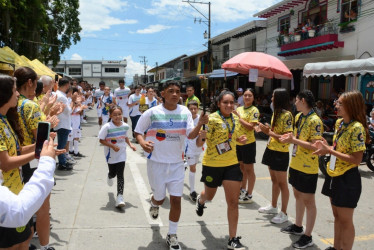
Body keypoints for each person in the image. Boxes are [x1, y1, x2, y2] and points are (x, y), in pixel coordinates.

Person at [135, 81, 208, 250]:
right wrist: (142, 142)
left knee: (176, 200)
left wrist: (199, 124)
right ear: (163, 94)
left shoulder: (185, 112)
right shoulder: (152, 112)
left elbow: (190, 135)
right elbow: (138, 131)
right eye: (171, 91)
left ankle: (172, 234)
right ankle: (154, 203)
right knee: (160, 199)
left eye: (178, 92)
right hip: (156, 162)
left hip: (176, 163)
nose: (175, 94)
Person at [313, 91, 369, 250]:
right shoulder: (340, 124)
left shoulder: (357, 128)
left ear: (351, 106)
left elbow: (356, 159)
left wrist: (330, 151)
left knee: (345, 220)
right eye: (337, 102)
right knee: (337, 216)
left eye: (340, 103)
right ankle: (336, 247)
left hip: (347, 178)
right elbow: (339, 149)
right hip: (333, 174)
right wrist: (327, 148)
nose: (335, 105)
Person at [195, 91, 248, 250]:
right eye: (225, 102)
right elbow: (199, 144)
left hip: (231, 164)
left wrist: (240, 139)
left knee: (233, 202)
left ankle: (232, 239)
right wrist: (201, 136)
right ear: (218, 103)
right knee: (209, 196)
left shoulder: (236, 119)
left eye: (232, 102)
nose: (229, 105)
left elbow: (234, 136)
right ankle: (201, 200)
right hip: (212, 164)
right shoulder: (210, 119)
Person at [15, 67, 57, 250]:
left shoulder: (14, 103)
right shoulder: (30, 105)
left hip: (19, 156)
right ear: (30, 83)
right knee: (42, 206)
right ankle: (44, 246)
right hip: (35, 157)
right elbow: (40, 136)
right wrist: (49, 124)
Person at [279, 90, 323, 249]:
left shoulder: (315, 121)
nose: (294, 102)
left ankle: (308, 236)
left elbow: (316, 146)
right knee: (297, 194)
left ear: (303, 100)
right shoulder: (299, 117)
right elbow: (295, 137)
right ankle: (298, 226)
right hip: (296, 163)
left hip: (308, 166)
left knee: (309, 200)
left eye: (296, 100)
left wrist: (293, 140)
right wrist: (289, 138)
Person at [0, 75, 37, 249]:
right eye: (14, 90)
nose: (17, 95)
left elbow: (15, 151)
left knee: (27, 234)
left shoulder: (5, 119)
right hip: (6, 197)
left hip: (17, 192)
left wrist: (39, 146)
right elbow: (5, 163)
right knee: (13, 244)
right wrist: (37, 153)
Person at [0, 135, 61, 228]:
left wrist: (37, 149)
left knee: (27, 236)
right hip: (11, 195)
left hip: (17, 188)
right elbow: (17, 213)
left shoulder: (5, 122)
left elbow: (17, 150)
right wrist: (46, 160)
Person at [257, 88, 293, 224]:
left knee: (282, 183)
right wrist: (264, 128)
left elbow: (286, 137)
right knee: (274, 180)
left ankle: (284, 212)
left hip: (281, 152)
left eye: (273, 96)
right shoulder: (275, 113)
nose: (271, 98)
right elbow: (273, 131)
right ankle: (273, 206)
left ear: (279, 98)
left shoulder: (287, 115)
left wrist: (269, 132)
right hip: (271, 148)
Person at [98, 106, 136, 208]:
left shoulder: (125, 126)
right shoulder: (107, 127)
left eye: (119, 114)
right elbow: (101, 140)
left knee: (120, 174)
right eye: (114, 115)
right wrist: (112, 146)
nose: (117, 116)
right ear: (110, 116)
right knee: (113, 173)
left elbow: (125, 136)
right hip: (110, 153)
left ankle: (120, 197)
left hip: (121, 153)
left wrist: (130, 145)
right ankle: (109, 175)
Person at [233, 88, 259, 204]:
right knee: (241, 168)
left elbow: (250, 126)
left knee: (249, 169)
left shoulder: (254, 110)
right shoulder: (238, 108)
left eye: (249, 95)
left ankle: (249, 193)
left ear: (253, 98)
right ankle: (242, 189)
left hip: (248, 143)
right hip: (238, 143)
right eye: (245, 95)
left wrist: (239, 117)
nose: (247, 97)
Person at [184, 100, 204, 202]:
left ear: (198, 109)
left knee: (193, 165)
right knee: (193, 168)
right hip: (189, 147)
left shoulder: (201, 118)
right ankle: (192, 191)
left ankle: (182, 166)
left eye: (194, 108)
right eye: (191, 108)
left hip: (199, 147)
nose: (193, 110)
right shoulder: (186, 119)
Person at [55, 77, 72, 171]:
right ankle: (62, 163)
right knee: (62, 144)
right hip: (63, 123)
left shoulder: (58, 94)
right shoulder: (62, 96)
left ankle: (63, 161)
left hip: (61, 122)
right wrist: (72, 103)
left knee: (62, 144)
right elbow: (68, 111)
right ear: (66, 85)